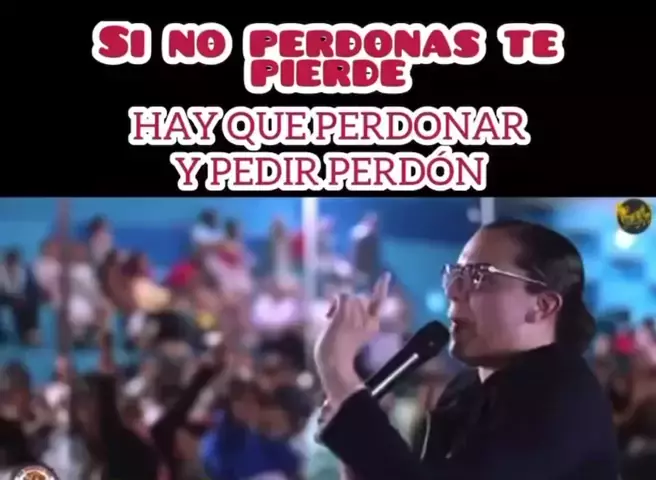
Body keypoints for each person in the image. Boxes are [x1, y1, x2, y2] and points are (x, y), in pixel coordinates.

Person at [314, 220, 620, 480]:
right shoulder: (465, 390)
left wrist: (336, 367)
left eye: (479, 276)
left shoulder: (563, 397)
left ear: (543, 305)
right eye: (455, 275)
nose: (453, 291)